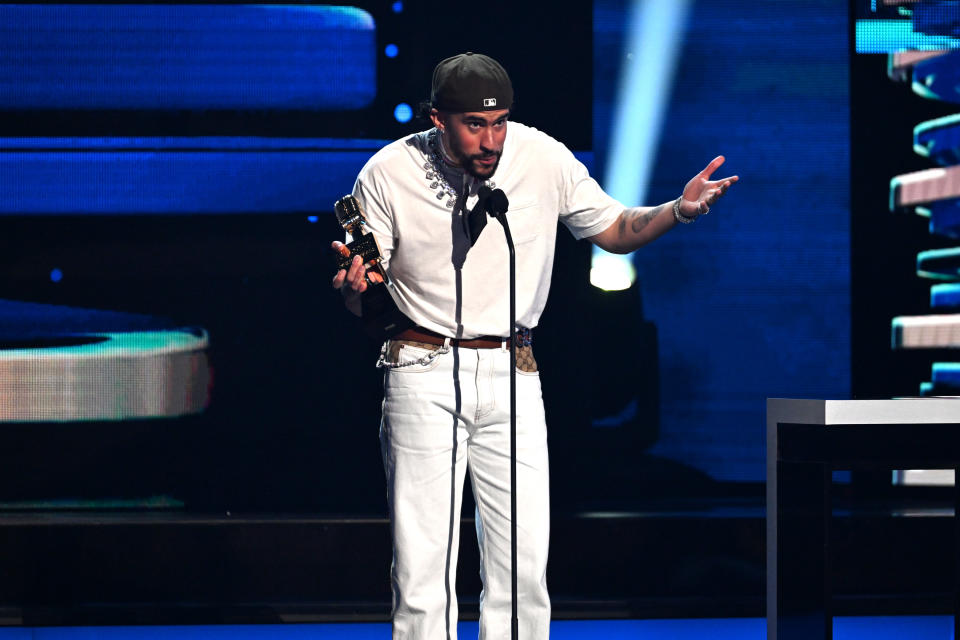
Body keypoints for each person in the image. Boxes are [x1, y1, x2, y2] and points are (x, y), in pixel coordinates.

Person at [331, 52, 737, 640]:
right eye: (475, 124)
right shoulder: (387, 172)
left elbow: (615, 229)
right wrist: (351, 288)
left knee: (521, 564)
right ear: (437, 118)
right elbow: (363, 290)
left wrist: (678, 210)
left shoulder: (542, 157)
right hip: (421, 367)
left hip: (511, 371)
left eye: (498, 123)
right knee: (422, 568)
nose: (490, 138)